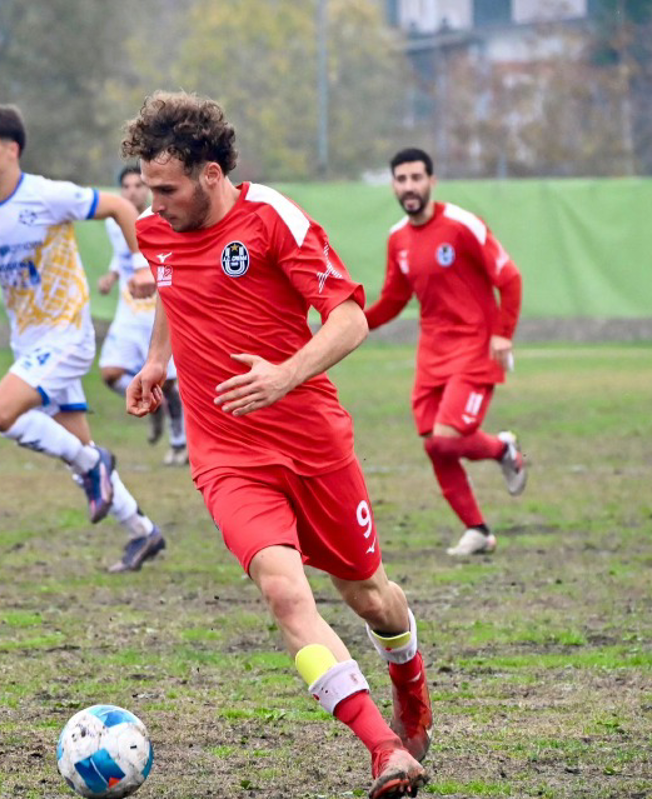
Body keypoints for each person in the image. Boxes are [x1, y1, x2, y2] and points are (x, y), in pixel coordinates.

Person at [122, 91, 430, 799]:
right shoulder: (156, 230)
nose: (154, 205)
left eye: (166, 190)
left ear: (209, 174)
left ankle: (410, 688)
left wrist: (284, 375)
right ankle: (383, 749)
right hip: (228, 457)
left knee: (370, 597)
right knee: (286, 595)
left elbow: (349, 318)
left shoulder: (271, 220)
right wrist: (155, 361)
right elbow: (170, 286)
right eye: (148, 189)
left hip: (312, 444)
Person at [0, 104, 166, 574]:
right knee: (76, 448)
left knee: (0, 413)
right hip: (28, 343)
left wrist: (142, 266)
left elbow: (119, 207)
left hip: (67, 336)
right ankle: (142, 531)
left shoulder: (47, 195)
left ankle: (95, 465)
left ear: (11, 150)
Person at [364, 147, 527, 557]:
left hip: (475, 348)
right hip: (432, 354)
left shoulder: (462, 225)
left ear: (432, 182)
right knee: (435, 446)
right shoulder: (397, 238)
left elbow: (510, 278)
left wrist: (503, 334)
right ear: (393, 185)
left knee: (448, 440)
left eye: (416, 178)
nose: (409, 187)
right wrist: (353, 323)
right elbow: (394, 298)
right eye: (401, 180)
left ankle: (503, 449)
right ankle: (477, 530)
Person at [96, 165, 187, 465]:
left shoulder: (164, 219)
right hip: (129, 311)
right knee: (110, 372)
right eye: (127, 186)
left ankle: (179, 443)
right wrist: (112, 275)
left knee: (169, 383)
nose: (132, 191)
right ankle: (154, 406)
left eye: (138, 185)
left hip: (158, 312)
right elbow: (121, 253)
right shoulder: (115, 223)